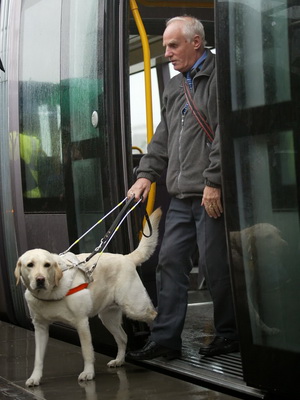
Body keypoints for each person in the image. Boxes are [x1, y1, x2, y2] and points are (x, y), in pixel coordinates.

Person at [126, 15, 239, 360]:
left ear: (197, 42)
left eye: (174, 46)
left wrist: (214, 181)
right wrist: (146, 174)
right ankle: (165, 341)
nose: (169, 53)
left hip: (209, 195)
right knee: (169, 263)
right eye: (165, 47)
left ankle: (230, 334)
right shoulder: (175, 87)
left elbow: (225, 132)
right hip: (179, 197)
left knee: (215, 268)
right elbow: (163, 139)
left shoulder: (220, 75)